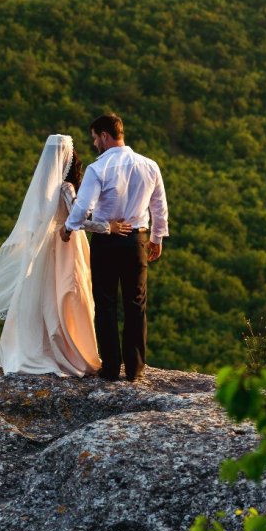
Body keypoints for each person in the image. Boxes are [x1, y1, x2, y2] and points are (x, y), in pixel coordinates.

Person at [0, 134, 129, 377]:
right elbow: (79, 219)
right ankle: (69, 350)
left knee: (43, 297)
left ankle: (39, 348)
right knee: (69, 295)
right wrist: (109, 227)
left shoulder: (43, 188)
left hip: (45, 247)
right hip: (67, 245)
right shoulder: (67, 187)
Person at [61, 113, 168, 382]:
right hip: (137, 240)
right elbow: (159, 206)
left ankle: (110, 368)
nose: (95, 143)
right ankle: (135, 369)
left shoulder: (99, 169)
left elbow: (84, 207)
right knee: (136, 303)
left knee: (107, 303)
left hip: (107, 242)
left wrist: (68, 228)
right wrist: (157, 238)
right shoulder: (149, 165)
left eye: (95, 138)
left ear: (105, 136)